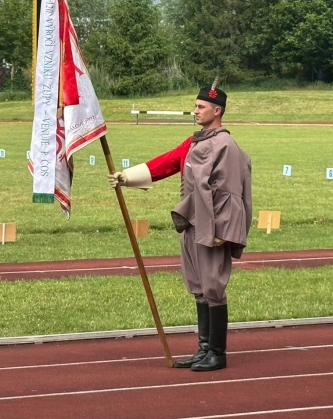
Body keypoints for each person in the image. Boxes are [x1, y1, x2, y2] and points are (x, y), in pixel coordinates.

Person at [108, 86, 252, 371]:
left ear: (217, 110)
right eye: (195, 106)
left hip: (213, 229)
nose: (195, 111)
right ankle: (204, 348)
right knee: (198, 286)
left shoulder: (227, 146)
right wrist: (127, 177)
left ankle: (217, 353)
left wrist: (223, 231)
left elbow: (232, 194)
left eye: (200, 107)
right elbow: (170, 161)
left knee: (213, 286)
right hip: (192, 223)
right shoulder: (195, 142)